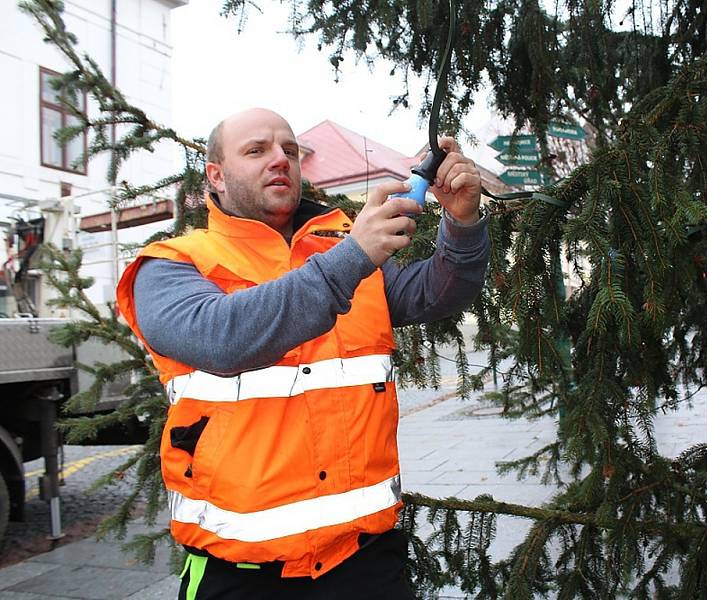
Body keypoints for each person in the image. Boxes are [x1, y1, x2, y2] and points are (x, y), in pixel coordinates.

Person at [116, 108, 489, 600]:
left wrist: (461, 222)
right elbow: (222, 338)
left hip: (365, 565)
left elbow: (437, 293)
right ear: (216, 176)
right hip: (242, 576)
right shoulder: (170, 265)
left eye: (289, 150)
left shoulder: (341, 247)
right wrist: (352, 256)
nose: (280, 160)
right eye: (257, 150)